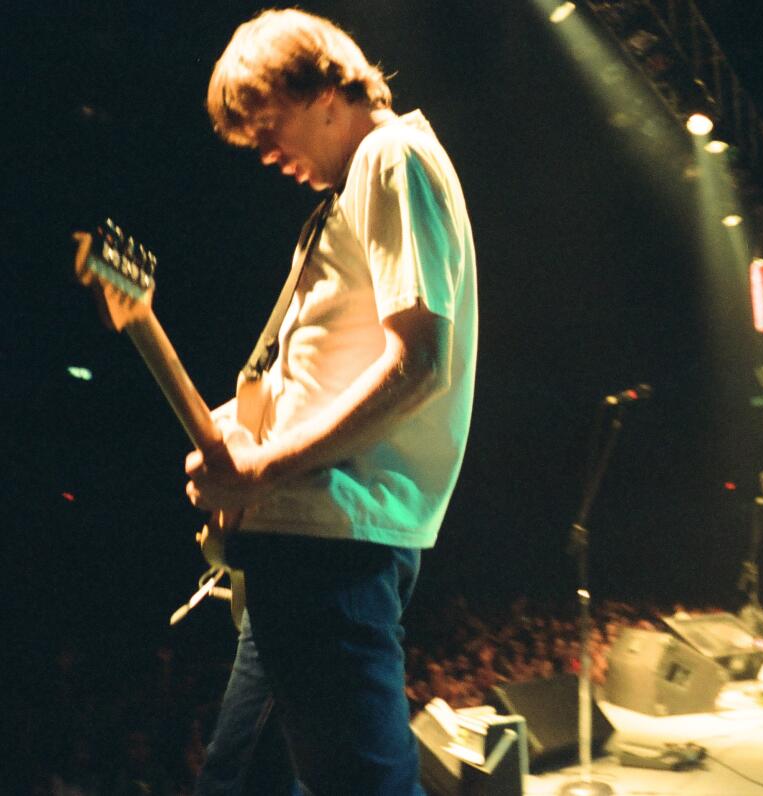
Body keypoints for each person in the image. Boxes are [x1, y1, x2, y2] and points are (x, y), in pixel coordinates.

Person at [185, 9, 477, 794]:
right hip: (304, 536)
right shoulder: (355, 186)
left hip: (331, 540)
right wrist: (243, 427)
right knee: (237, 777)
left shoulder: (391, 154)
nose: (263, 151)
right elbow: (332, 365)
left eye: (266, 124)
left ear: (322, 92)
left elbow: (419, 364)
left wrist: (262, 468)